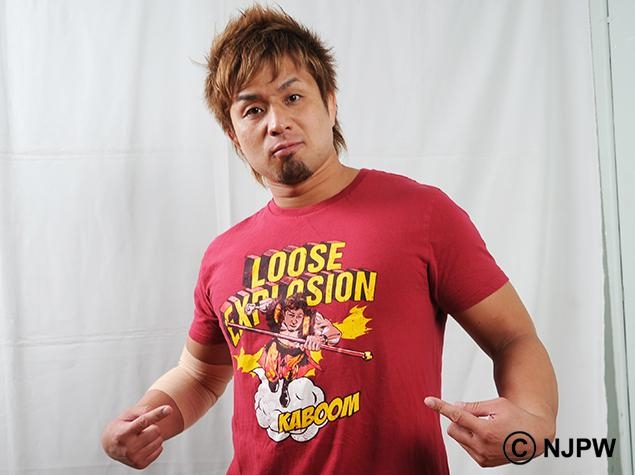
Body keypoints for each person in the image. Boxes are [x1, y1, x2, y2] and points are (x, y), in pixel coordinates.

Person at [101, 5, 557, 473]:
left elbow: (513, 337)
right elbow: (199, 374)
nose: (276, 122)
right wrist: (144, 418)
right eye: (253, 109)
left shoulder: (421, 214)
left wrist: (534, 419)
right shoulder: (223, 256)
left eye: (293, 97)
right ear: (234, 135)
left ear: (330, 103)